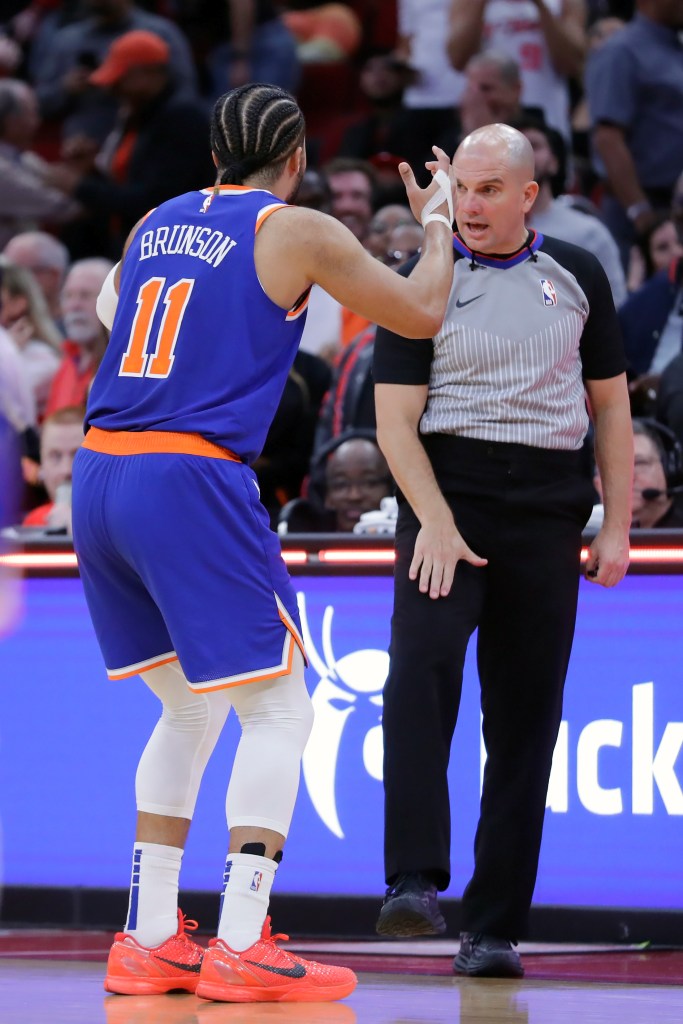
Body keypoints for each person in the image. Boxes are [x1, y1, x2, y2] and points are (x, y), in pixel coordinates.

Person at [70, 82, 456, 1002]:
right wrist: (435, 223)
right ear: (294, 163)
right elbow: (421, 313)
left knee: (188, 709)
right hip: (186, 472)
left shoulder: (153, 221)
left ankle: (149, 935)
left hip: (99, 466)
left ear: (212, 158)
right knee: (281, 711)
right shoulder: (296, 226)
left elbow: (110, 318)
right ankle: (244, 938)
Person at [372, 123, 632, 979]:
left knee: (525, 722)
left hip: (547, 507)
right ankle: (412, 881)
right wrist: (435, 521)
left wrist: (618, 525)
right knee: (418, 675)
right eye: (463, 190)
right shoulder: (424, 277)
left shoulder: (578, 274)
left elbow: (610, 411)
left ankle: (493, 928)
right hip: (444, 492)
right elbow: (392, 422)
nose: (471, 205)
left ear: (528, 196)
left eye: (488, 190)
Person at [584, 0, 683, 264]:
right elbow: (608, 139)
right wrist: (641, 214)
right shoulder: (621, 51)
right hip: (642, 211)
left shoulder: (674, 47)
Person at [518, 116, 627, 306]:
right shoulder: (485, 229)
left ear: (554, 163)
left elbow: (615, 304)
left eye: (534, 146)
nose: (524, 154)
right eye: (516, 148)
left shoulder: (588, 232)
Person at [447, 0, 587, 140]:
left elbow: (572, 65)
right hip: (491, 107)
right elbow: (457, 61)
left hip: (546, 112)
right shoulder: (466, 3)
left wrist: (541, 6)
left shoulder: (565, 3)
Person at [44, 257, 113, 416]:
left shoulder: (122, 365)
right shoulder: (66, 360)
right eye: (68, 296)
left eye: (85, 295)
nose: (74, 305)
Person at [593, 418, 683, 528]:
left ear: (667, 469)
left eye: (638, 463)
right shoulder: (582, 536)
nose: (625, 478)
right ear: (597, 484)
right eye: (612, 467)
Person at [22, 405, 84, 531]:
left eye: (78, 455)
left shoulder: (118, 521)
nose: (66, 470)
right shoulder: (34, 522)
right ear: (42, 463)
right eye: (55, 456)